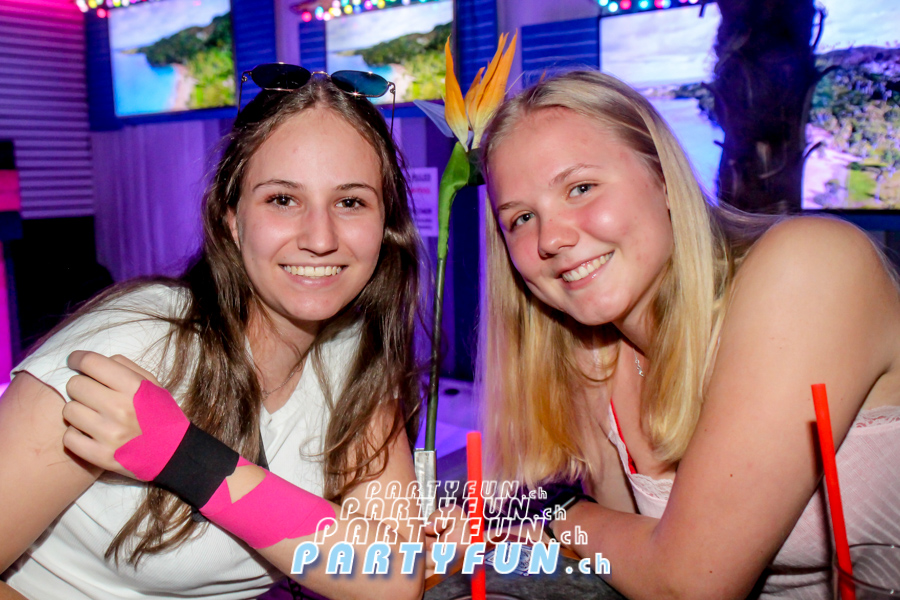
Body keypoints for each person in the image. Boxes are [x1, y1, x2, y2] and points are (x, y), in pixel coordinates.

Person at [0, 74, 425, 600]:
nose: (320, 238)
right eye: (282, 199)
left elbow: (393, 580)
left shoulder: (354, 356)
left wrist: (185, 457)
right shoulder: (135, 345)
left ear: (385, 226)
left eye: (351, 202)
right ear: (232, 221)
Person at [477, 70, 900, 599]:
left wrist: (557, 510)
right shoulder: (594, 358)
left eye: (580, 188)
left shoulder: (811, 269)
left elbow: (690, 584)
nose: (552, 238)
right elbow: (628, 568)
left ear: (662, 178)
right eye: (521, 218)